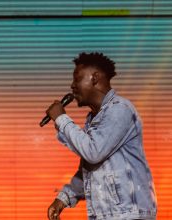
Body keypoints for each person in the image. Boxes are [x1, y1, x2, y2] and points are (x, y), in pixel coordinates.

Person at [46, 52, 157, 220]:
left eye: (77, 79)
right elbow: (91, 169)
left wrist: (62, 119)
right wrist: (65, 197)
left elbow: (93, 152)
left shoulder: (120, 109)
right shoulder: (95, 118)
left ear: (95, 78)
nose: (72, 86)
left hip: (128, 215)